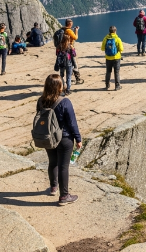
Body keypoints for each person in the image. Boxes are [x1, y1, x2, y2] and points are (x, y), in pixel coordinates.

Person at [37, 74, 82, 205]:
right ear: (59, 87)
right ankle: (64, 196)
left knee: (52, 162)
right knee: (63, 166)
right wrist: (78, 138)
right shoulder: (65, 102)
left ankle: (53, 187)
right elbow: (72, 123)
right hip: (64, 138)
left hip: (48, 137)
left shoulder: (41, 101)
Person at [101, 26, 123, 90]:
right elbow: (121, 48)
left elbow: (102, 48)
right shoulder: (117, 38)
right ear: (115, 31)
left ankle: (107, 85)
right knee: (116, 72)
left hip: (108, 58)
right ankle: (117, 86)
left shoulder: (106, 38)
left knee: (108, 72)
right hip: (116, 57)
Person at [63, 19, 84, 85]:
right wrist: (76, 31)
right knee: (74, 64)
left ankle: (67, 78)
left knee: (69, 64)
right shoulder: (68, 30)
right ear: (69, 24)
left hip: (65, 49)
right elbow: (75, 37)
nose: (72, 24)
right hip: (70, 49)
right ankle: (77, 79)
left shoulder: (64, 29)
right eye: (71, 23)